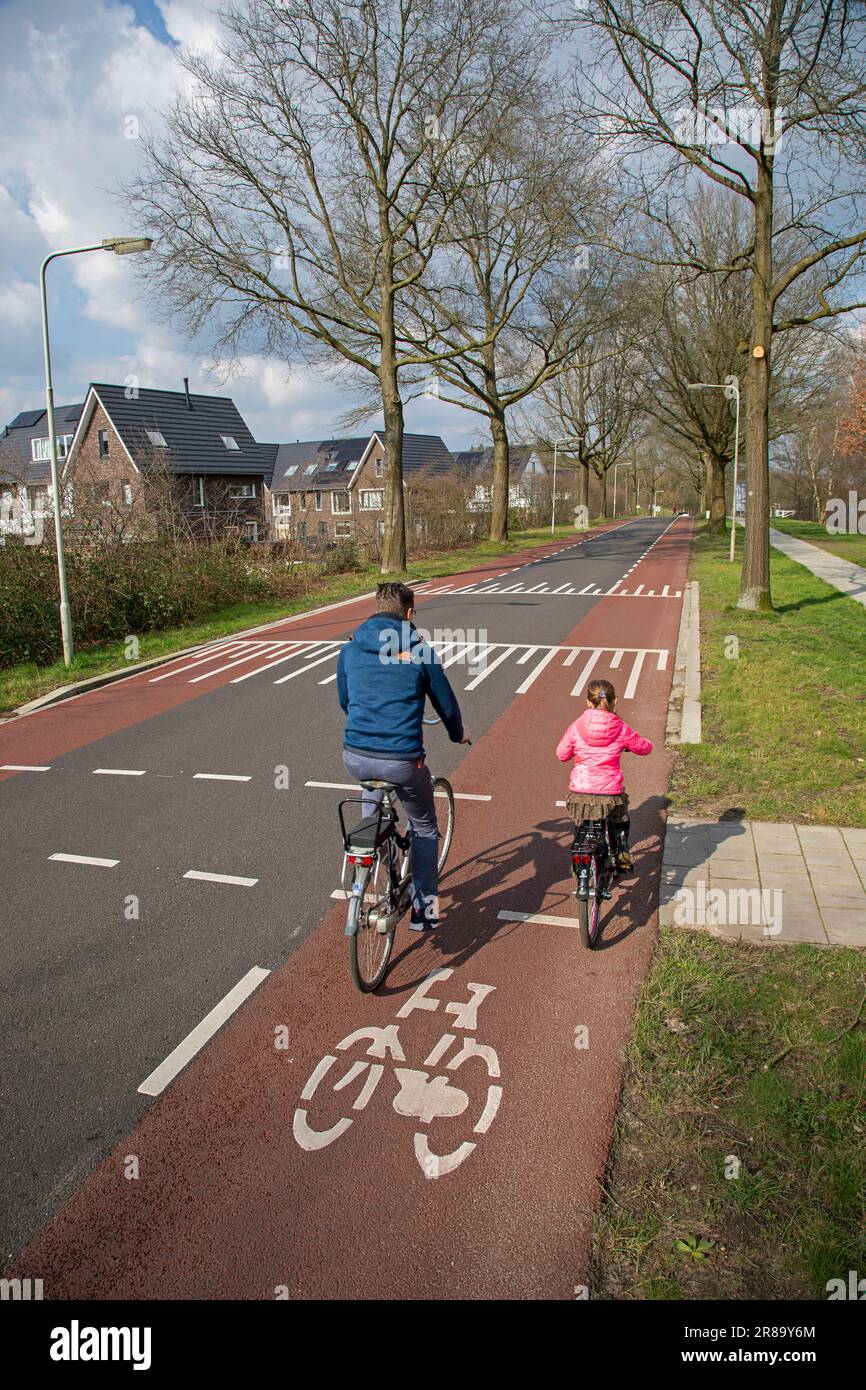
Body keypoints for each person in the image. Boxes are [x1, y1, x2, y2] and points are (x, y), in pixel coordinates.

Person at [337, 582, 471, 931]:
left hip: (354, 756)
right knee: (425, 826)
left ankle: (380, 861)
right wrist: (459, 734)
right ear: (409, 614)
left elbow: (345, 700)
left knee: (373, 802)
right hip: (402, 759)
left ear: (375, 608)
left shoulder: (350, 649)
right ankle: (423, 913)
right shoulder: (420, 650)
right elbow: (446, 704)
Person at [555, 679, 652, 871]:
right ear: (614, 701)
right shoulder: (620, 727)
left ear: (589, 702)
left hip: (580, 790)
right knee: (621, 816)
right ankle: (622, 854)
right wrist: (645, 743)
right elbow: (644, 748)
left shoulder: (577, 726)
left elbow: (561, 754)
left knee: (582, 822)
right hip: (609, 792)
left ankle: (579, 861)